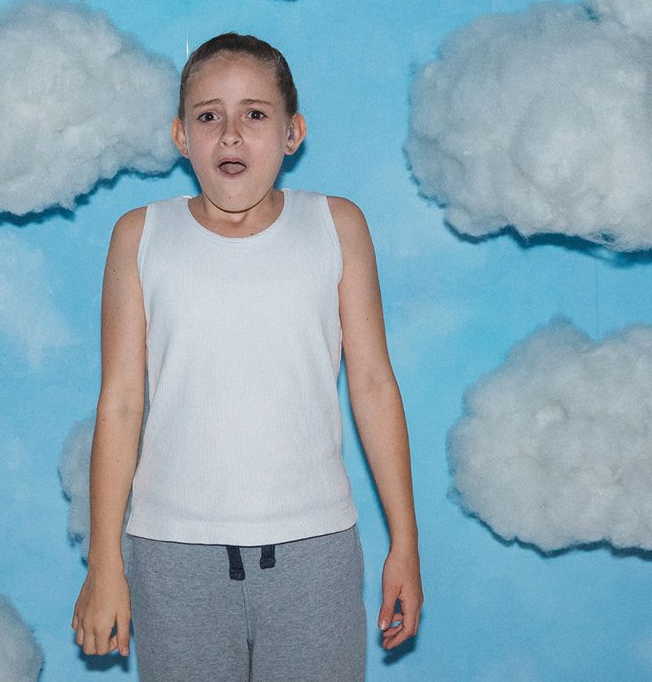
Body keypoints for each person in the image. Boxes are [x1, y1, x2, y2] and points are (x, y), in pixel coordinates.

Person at [71, 33, 422, 680]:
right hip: (173, 552)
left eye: (255, 113)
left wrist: (405, 541)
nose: (231, 133)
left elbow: (372, 382)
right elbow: (120, 402)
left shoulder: (336, 226)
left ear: (293, 132)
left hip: (315, 550)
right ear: (181, 134)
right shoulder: (140, 237)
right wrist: (104, 564)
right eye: (209, 115)